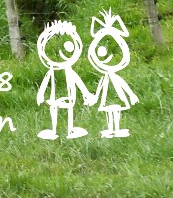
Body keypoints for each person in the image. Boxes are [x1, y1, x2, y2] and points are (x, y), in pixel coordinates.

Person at [35, 20, 93, 140]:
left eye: (68, 47)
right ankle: (54, 129)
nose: (61, 53)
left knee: (69, 110)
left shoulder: (68, 70)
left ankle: (70, 129)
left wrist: (86, 94)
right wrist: (40, 94)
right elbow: (46, 82)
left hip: (68, 96)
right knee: (54, 110)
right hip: (54, 96)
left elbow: (78, 81)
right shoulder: (51, 71)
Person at [86, 11, 137, 139]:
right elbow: (100, 87)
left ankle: (116, 129)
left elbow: (122, 84)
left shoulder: (115, 77)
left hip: (116, 96)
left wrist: (131, 95)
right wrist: (95, 97)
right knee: (109, 112)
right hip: (107, 97)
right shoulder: (106, 77)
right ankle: (111, 129)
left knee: (116, 111)